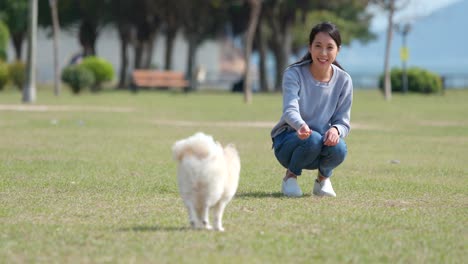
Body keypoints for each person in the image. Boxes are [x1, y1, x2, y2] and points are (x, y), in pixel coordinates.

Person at [270, 22, 353, 197]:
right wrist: (300, 125)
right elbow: (290, 109)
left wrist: (336, 130)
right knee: (313, 138)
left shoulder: (344, 80)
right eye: (318, 46)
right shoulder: (294, 74)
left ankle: (322, 180)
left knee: (339, 147)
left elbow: (343, 121)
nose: (323, 53)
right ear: (309, 48)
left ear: (338, 49)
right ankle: (289, 178)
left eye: (329, 47)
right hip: (288, 141)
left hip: (319, 143)